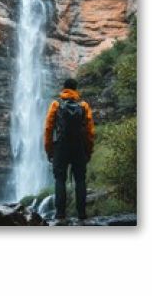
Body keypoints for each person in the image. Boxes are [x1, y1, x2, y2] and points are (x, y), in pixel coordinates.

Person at [44, 78, 95, 224]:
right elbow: (90, 131)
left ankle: (60, 214)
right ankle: (82, 214)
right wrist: (88, 150)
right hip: (79, 147)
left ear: (64, 89)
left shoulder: (56, 104)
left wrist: (49, 150)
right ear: (76, 89)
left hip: (61, 147)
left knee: (60, 179)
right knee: (80, 180)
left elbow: (48, 129)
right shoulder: (84, 105)